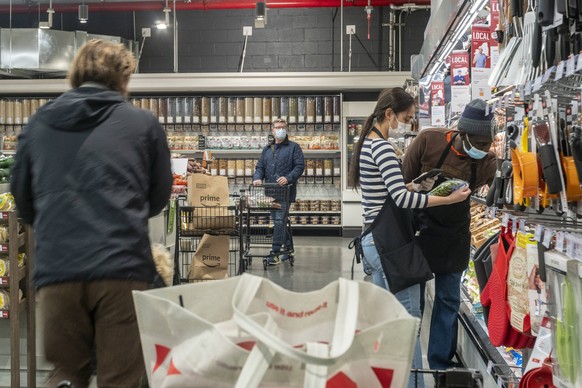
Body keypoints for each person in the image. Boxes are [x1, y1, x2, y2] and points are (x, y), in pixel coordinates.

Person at [10, 40, 172, 388]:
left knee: (66, 374)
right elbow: (158, 197)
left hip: (58, 272)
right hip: (122, 269)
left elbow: (22, 198)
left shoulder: (38, 123)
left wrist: (58, 223)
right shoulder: (143, 123)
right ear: (123, 78)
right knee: (120, 378)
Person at [347, 87, 471, 388]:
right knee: (407, 322)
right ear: (389, 114)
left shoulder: (367, 144)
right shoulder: (383, 148)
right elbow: (401, 200)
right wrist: (448, 199)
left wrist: (418, 186)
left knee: (392, 322)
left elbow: (391, 193)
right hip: (388, 244)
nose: (408, 123)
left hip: (374, 242)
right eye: (407, 117)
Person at [402, 98, 497, 370]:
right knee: (414, 305)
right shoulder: (429, 140)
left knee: (448, 302)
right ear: (462, 134)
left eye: (488, 144)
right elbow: (401, 184)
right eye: (479, 144)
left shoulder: (488, 162)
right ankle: (408, 362)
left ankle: (440, 364)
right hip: (419, 230)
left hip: (454, 236)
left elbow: (499, 196)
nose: (484, 150)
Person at [253, 118, 305, 264]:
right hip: (270, 192)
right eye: (277, 127)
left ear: (286, 129)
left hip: (285, 192)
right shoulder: (267, 149)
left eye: (283, 127)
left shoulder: (294, 147)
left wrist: (288, 178)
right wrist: (257, 178)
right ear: (272, 130)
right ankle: (288, 249)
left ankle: (274, 253)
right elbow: (260, 167)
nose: (280, 129)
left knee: (279, 221)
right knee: (279, 222)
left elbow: (300, 166)